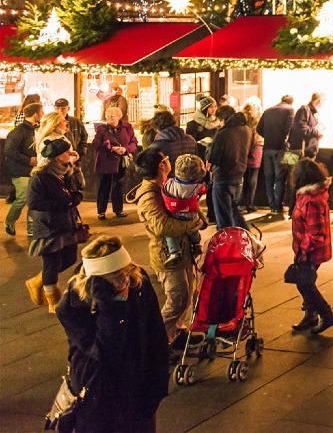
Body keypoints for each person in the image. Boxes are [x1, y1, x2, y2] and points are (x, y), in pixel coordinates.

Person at [56, 235, 168, 433]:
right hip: (97, 392)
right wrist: (109, 306)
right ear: (96, 281)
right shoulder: (72, 306)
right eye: (115, 277)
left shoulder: (137, 284)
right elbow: (104, 352)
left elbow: (156, 336)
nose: (123, 281)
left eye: (125, 272)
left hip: (136, 387)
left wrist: (157, 386)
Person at [129, 147, 205, 343]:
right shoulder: (149, 195)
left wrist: (199, 220)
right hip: (167, 254)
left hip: (182, 248)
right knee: (177, 299)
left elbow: (189, 206)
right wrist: (191, 225)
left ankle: (176, 332)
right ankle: (158, 342)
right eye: (167, 159)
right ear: (162, 165)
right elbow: (162, 226)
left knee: (186, 296)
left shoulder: (167, 185)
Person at [25, 138, 84, 312]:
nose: (71, 154)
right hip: (49, 226)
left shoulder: (66, 172)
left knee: (70, 258)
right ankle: (53, 301)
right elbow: (34, 203)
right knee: (51, 262)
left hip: (67, 223)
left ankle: (38, 281)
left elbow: (78, 188)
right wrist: (62, 205)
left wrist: (75, 171)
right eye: (67, 152)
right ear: (58, 156)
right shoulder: (40, 177)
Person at [289, 158, 333, 334]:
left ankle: (326, 314)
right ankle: (310, 315)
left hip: (310, 250)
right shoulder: (308, 196)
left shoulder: (311, 200)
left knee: (304, 283)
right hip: (307, 248)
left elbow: (315, 232)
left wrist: (303, 250)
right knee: (306, 280)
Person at [207, 109, 252, 228]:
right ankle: (246, 238)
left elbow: (213, 157)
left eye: (220, 120)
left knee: (223, 217)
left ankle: (226, 243)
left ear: (224, 119)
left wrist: (208, 147)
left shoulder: (222, 133)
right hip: (239, 175)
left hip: (222, 177)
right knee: (234, 210)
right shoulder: (247, 130)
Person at [160, 154, 207, 268]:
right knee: (194, 227)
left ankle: (174, 251)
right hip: (190, 214)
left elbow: (164, 189)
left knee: (170, 235)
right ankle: (196, 244)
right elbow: (203, 191)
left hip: (174, 214)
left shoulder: (169, 183)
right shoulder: (197, 187)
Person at [92, 106, 137, 221]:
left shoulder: (127, 127)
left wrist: (125, 149)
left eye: (112, 116)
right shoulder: (102, 129)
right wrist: (111, 148)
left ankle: (118, 210)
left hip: (120, 161)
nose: (109, 118)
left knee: (118, 185)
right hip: (105, 161)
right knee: (104, 185)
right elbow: (95, 144)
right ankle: (101, 211)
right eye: (107, 116)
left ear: (119, 116)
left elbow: (133, 142)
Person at [4, 102, 42, 236]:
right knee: (23, 197)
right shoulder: (19, 131)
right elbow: (8, 150)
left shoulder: (36, 129)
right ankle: (9, 221)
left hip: (34, 169)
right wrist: (28, 160)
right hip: (20, 170)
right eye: (41, 112)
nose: (43, 114)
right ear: (36, 114)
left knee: (34, 197)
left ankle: (31, 228)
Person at [257, 95, 296, 219]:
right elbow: (289, 129)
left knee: (269, 178)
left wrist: (268, 136)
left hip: (267, 148)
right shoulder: (289, 110)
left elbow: (259, 129)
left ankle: (272, 205)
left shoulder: (268, 110)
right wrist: (282, 138)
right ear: (290, 102)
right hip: (280, 148)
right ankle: (278, 205)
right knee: (280, 178)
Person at [240, 97, 265, 213]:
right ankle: (250, 203)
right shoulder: (259, 118)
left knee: (243, 175)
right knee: (253, 175)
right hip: (256, 146)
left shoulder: (242, 118)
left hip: (243, 147)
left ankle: (241, 201)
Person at [290, 93, 324, 160]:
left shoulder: (313, 113)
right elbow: (301, 127)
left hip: (308, 152)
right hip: (301, 151)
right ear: (318, 100)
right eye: (323, 101)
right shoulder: (305, 110)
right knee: (296, 169)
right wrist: (316, 132)